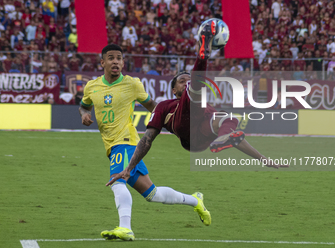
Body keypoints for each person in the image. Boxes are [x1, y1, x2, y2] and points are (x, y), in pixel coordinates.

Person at [107, 19, 286, 186]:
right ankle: (203, 55)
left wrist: (263, 158)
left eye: (186, 79)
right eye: (181, 81)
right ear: (174, 90)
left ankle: (222, 139)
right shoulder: (164, 106)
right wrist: (129, 169)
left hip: (204, 133)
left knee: (228, 119)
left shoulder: (205, 106)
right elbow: (147, 139)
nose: (184, 82)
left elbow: (238, 139)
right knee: (195, 90)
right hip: (186, 133)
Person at [79, 44, 212, 242]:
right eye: (111, 58)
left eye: (119, 58)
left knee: (117, 182)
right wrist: (84, 114)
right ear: (103, 62)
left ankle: (125, 228)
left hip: (125, 141)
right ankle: (195, 200)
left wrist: (175, 124)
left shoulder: (132, 84)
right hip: (113, 144)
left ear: (123, 63)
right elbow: (83, 106)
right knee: (153, 194)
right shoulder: (92, 87)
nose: (115, 61)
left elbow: (154, 107)